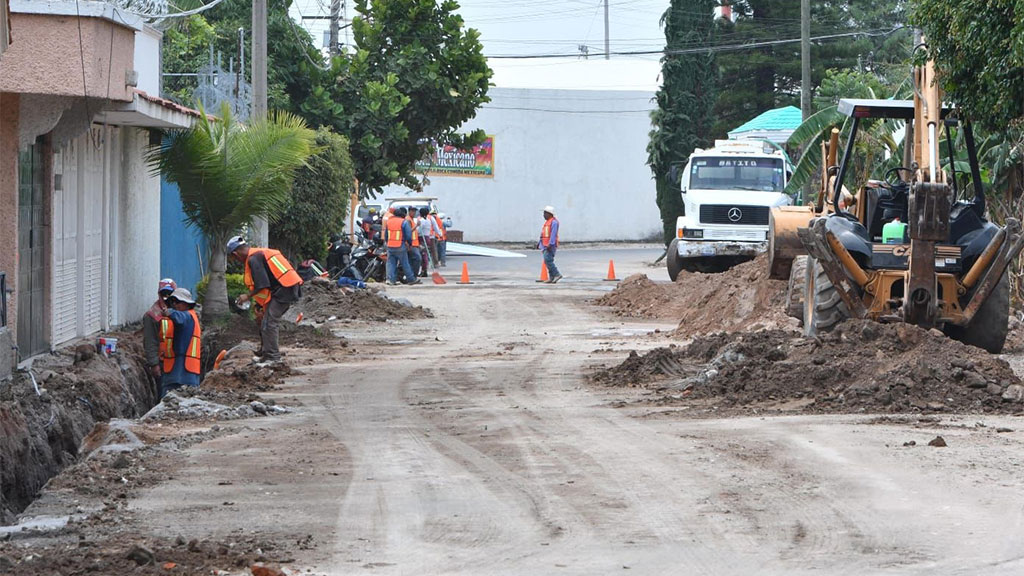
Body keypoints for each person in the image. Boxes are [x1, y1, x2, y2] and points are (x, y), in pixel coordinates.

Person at [227, 235, 304, 363]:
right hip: (286, 287)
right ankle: (266, 354)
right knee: (265, 322)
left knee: (269, 323)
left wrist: (247, 296)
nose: (236, 261)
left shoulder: (254, 259)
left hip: (285, 289)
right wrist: (260, 305)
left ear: (236, 253)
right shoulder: (259, 254)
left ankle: (273, 357)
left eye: (234, 258)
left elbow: (262, 284)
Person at [158, 288, 201, 398]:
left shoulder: (186, 316)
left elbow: (179, 318)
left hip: (184, 373)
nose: (175, 304)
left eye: (178, 302)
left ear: (187, 304)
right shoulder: (187, 317)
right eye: (173, 302)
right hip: (176, 372)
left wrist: (169, 312)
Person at [143, 278, 176, 387]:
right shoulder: (152, 315)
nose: (167, 296)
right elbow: (150, 341)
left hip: (179, 361)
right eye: (164, 293)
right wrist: (154, 364)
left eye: (170, 293)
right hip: (163, 363)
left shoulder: (182, 312)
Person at [385, 207, 419, 285]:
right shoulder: (403, 222)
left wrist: (387, 243)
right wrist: (410, 244)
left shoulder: (389, 222)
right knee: (405, 263)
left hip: (390, 246)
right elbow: (408, 235)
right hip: (400, 246)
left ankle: (391, 280)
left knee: (391, 263)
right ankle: (411, 279)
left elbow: (386, 235)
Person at [539, 205, 562, 283]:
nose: (543, 215)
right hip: (545, 245)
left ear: (549, 213)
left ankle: (556, 274)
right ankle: (551, 277)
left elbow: (553, 234)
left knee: (548, 260)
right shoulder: (547, 223)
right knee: (547, 260)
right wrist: (540, 243)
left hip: (550, 245)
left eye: (545, 213)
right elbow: (543, 234)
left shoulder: (554, 222)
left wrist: (551, 244)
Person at [405, 208, 423, 279]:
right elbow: (409, 231)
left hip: (414, 244)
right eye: (412, 211)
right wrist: (416, 226)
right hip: (411, 244)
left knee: (411, 260)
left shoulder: (411, 220)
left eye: (415, 211)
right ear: (409, 211)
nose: (414, 213)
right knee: (417, 258)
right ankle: (413, 276)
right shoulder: (408, 220)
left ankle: (411, 276)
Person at [416, 207, 432, 277]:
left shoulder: (422, 220)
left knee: (423, 255)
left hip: (422, 238)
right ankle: (424, 269)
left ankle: (424, 270)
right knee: (425, 254)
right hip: (427, 237)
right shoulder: (428, 220)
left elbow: (419, 230)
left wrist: (416, 228)